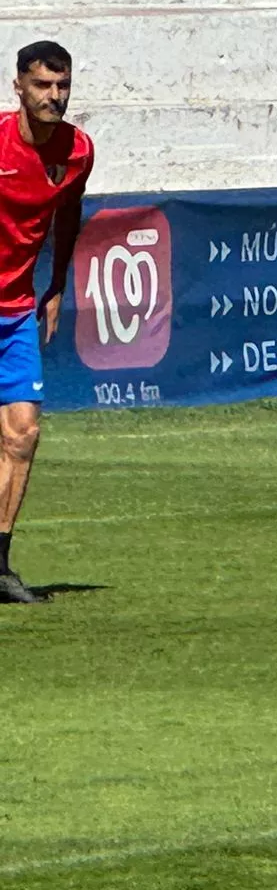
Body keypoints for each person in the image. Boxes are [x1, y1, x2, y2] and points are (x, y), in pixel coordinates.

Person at [0, 41, 93, 606]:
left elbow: (69, 211)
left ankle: (0, 567)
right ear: (18, 86)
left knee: (23, 434)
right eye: (42, 85)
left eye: (62, 86)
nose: (54, 96)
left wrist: (56, 284)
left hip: (14, 312)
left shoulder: (78, 150)